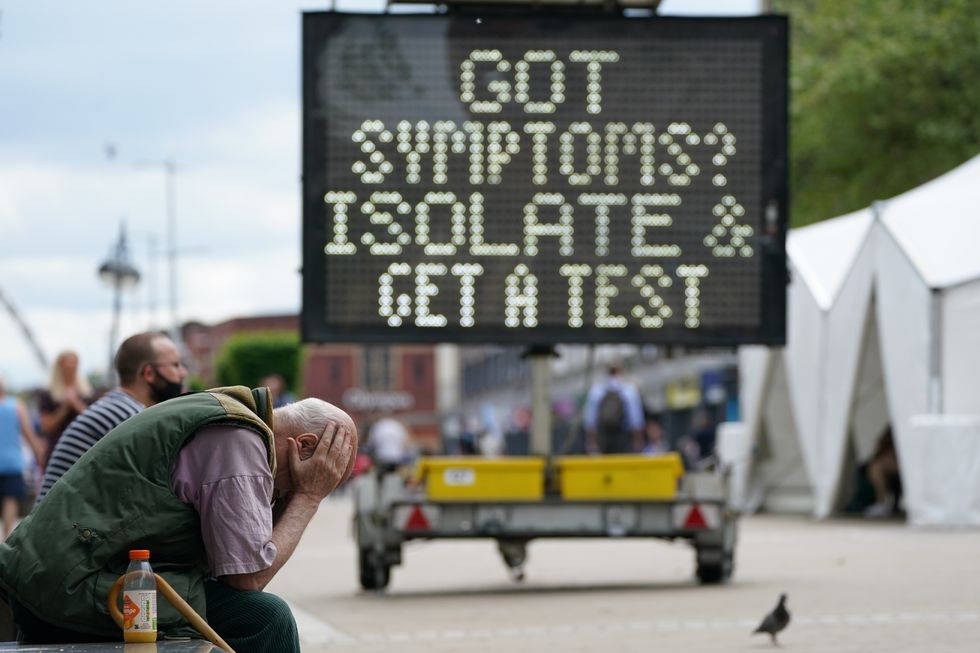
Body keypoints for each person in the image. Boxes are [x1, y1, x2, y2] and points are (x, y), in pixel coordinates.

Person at [0, 386, 357, 652]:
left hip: (54, 575)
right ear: (305, 446)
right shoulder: (238, 442)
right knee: (264, 618)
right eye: (323, 475)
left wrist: (294, 491)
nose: (300, 490)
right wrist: (310, 496)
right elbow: (248, 577)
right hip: (66, 586)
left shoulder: (229, 416)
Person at [36, 331, 188, 503]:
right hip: (61, 525)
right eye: (175, 365)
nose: (183, 373)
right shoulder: (128, 417)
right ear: (149, 373)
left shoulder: (117, 407)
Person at [0, 375, 45, 540]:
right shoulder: (16, 405)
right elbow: (28, 432)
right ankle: (5, 538)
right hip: (12, 462)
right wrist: (39, 453)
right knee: (10, 500)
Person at [37, 350, 95, 466]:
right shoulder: (48, 394)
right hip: (57, 450)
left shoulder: (88, 393)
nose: (71, 367)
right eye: (67, 364)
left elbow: (94, 421)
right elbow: (46, 426)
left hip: (83, 449)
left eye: (74, 363)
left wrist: (76, 404)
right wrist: (64, 408)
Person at [583, 362, 645, 454]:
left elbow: (590, 421)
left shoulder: (596, 391)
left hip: (603, 437)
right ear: (621, 371)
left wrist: (591, 443)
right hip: (623, 438)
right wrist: (638, 442)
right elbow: (636, 421)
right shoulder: (629, 391)